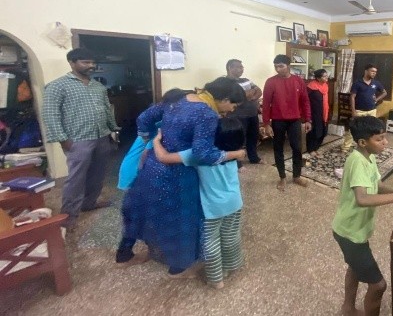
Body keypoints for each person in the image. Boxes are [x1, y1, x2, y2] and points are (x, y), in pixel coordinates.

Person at [116, 78, 245, 277]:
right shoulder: (207, 113)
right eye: (233, 105)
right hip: (178, 172)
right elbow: (203, 154)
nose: (231, 110)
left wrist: (151, 140)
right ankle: (178, 266)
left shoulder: (179, 97)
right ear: (225, 99)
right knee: (180, 218)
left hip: (153, 165)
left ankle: (124, 254)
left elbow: (143, 118)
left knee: (142, 208)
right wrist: (234, 154)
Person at [332, 116, 393, 316]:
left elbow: (378, 185)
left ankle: (348, 308)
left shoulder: (369, 157)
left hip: (355, 229)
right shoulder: (357, 161)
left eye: (384, 137)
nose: (385, 142)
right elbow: (362, 199)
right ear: (363, 142)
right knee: (379, 285)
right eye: (379, 139)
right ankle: (352, 309)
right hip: (349, 233)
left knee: (354, 267)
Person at [154, 116, 246, 289]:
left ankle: (216, 279)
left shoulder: (199, 155)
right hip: (234, 202)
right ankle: (228, 267)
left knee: (211, 242)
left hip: (212, 208)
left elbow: (163, 157)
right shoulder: (236, 152)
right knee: (230, 237)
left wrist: (156, 141)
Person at [42, 48, 119, 231]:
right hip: (77, 139)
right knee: (76, 178)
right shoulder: (57, 86)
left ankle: (89, 203)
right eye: (85, 62)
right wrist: (62, 139)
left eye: (93, 62)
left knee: (98, 173)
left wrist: (113, 129)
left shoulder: (98, 86)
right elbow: (50, 114)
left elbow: (106, 110)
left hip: (102, 136)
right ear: (72, 62)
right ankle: (68, 216)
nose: (91, 65)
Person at [262, 54, 312, 191]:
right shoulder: (270, 82)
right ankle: (282, 177)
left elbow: (305, 101)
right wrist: (266, 123)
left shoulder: (298, 80)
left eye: (281, 66)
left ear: (288, 66)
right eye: (276, 67)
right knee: (278, 148)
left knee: (297, 148)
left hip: (295, 120)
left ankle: (296, 176)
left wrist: (308, 119)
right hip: (278, 121)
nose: (278, 69)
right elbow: (266, 104)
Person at [225, 59, 264, 169]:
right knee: (238, 140)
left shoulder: (246, 80)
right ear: (230, 68)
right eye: (238, 67)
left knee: (253, 137)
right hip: (237, 116)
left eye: (242, 67)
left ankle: (254, 158)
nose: (241, 69)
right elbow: (235, 98)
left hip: (252, 114)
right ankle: (237, 163)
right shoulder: (226, 83)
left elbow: (259, 91)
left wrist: (251, 96)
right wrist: (247, 94)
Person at [342, 64, 387, 153]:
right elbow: (352, 97)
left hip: (372, 111)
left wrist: (376, 99)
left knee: (371, 130)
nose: (374, 73)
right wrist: (353, 111)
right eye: (372, 71)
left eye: (375, 72)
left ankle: (367, 146)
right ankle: (345, 148)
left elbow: (384, 92)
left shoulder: (376, 83)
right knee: (352, 130)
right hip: (359, 111)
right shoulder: (357, 83)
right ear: (366, 71)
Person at [306, 69, 329, 156]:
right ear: (318, 78)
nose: (327, 77)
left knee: (323, 131)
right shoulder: (311, 87)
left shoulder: (325, 85)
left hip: (324, 112)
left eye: (326, 75)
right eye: (324, 76)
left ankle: (316, 147)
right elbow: (305, 101)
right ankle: (311, 149)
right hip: (314, 113)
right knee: (314, 131)